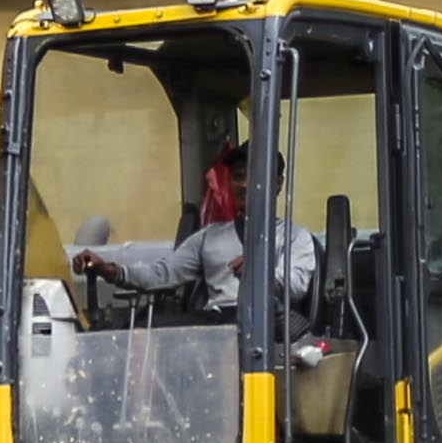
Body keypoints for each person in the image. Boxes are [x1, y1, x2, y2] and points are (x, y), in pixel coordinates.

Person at [74, 133, 316, 317]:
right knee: (147, 332)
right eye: (238, 176)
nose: (244, 184)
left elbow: (295, 286)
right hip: (218, 327)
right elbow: (162, 274)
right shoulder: (210, 237)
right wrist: (109, 270)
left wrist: (257, 271)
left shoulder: (295, 237)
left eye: (254, 176)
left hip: (268, 327)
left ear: (278, 183)